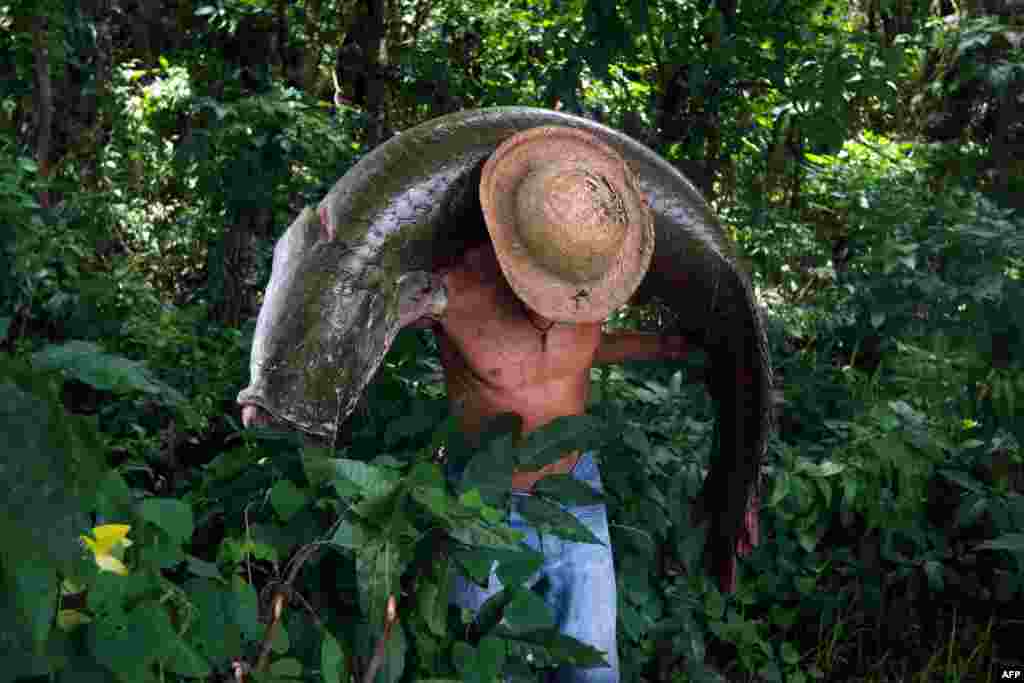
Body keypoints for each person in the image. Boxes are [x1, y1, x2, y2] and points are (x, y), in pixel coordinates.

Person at [244, 126, 690, 682]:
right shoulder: (453, 286)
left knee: (592, 668)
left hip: (577, 492)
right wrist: (290, 389)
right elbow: (343, 285)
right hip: (481, 504)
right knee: (472, 664)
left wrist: (661, 345)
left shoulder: (586, 271)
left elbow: (577, 353)